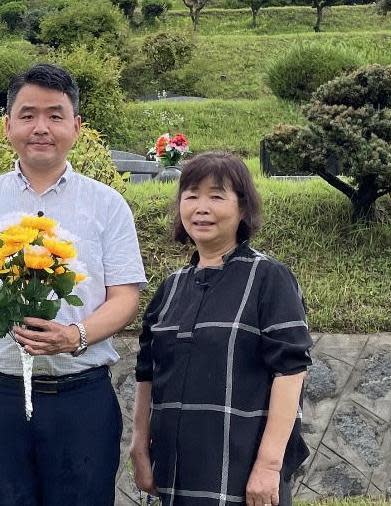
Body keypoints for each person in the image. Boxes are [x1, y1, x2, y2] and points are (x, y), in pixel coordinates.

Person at [0, 63, 147, 506]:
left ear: (76, 127)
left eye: (54, 115)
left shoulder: (108, 205)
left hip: (81, 399)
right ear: (7, 126)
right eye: (27, 115)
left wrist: (74, 335)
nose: (40, 127)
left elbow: (125, 297)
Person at [130, 152, 312, 506]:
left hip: (241, 468)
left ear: (242, 209)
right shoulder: (171, 287)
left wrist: (269, 465)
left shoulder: (268, 278)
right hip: (175, 467)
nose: (201, 207)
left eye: (216, 196)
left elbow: (290, 372)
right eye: (191, 194)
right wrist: (139, 444)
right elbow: (146, 372)